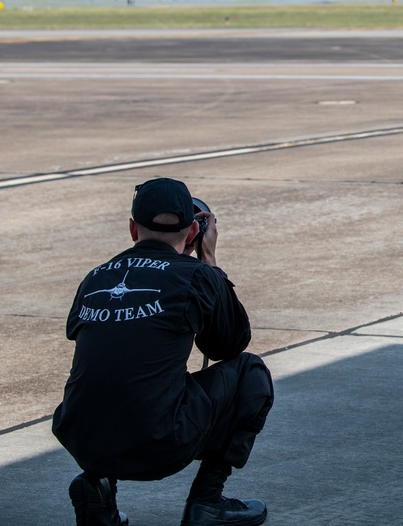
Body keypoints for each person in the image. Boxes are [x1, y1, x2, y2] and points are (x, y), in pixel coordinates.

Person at [52, 177, 274, 525]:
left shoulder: (95, 278)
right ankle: (207, 502)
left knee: (119, 368)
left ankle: (100, 489)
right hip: (158, 445)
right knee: (251, 372)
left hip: (82, 439)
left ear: (132, 229)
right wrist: (209, 259)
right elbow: (229, 346)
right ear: (191, 234)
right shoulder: (197, 274)